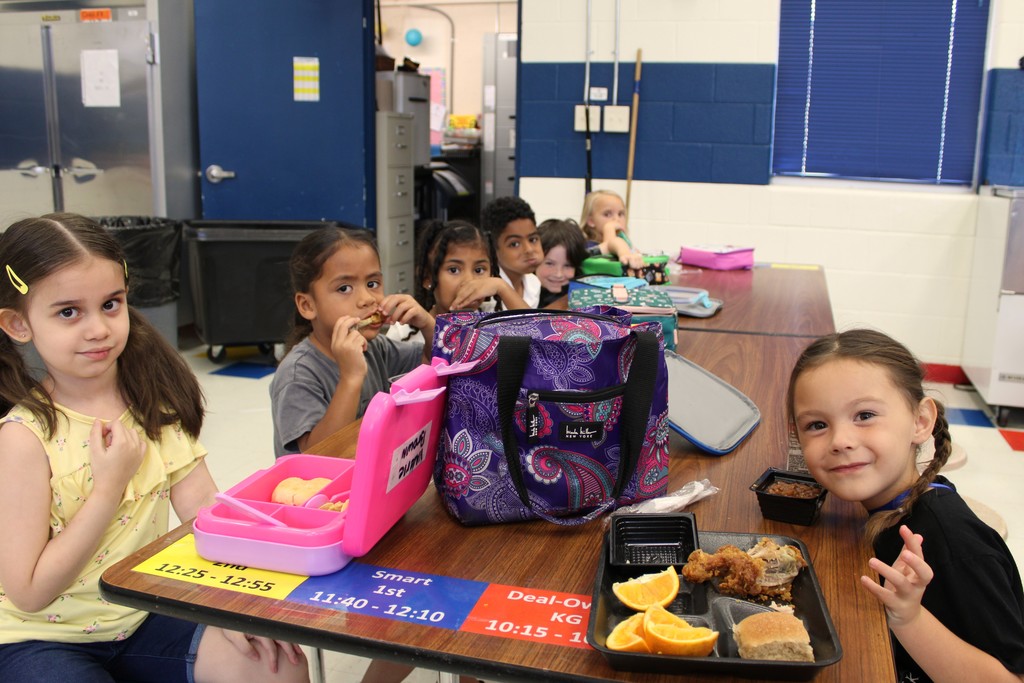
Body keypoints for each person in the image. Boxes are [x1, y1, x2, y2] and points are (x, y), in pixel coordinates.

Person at [0, 213, 308, 683]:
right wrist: (109, 489)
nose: (98, 328)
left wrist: (235, 601)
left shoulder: (150, 403)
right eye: (68, 312)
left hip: (142, 611)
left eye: (110, 304)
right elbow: (29, 593)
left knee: (278, 664)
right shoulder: (23, 438)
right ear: (18, 324)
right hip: (40, 637)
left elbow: (203, 511)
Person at [786, 328, 1024, 683]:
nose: (840, 441)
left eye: (865, 415)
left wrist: (909, 618)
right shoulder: (886, 502)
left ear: (920, 421)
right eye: (817, 424)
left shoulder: (953, 544)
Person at [271, 226, 434, 459]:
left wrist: (427, 324)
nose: (367, 299)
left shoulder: (376, 348)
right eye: (344, 288)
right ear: (307, 305)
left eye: (373, 283)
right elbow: (318, 457)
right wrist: (351, 378)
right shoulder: (297, 374)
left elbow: (432, 362)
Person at [481, 196, 543, 308]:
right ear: (493, 248)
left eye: (533, 239)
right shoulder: (485, 292)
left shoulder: (533, 283)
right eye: (514, 244)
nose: (529, 249)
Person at [579, 189, 644, 271]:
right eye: (607, 214)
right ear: (591, 221)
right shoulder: (587, 246)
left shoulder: (626, 245)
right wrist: (609, 230)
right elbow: (609, 249)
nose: (616, 219)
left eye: (620, 214)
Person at [536, 218, 587, 308]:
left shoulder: (583, 293)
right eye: (550, 264)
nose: (558, 274)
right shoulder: (522, 293)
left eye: (568, 265)